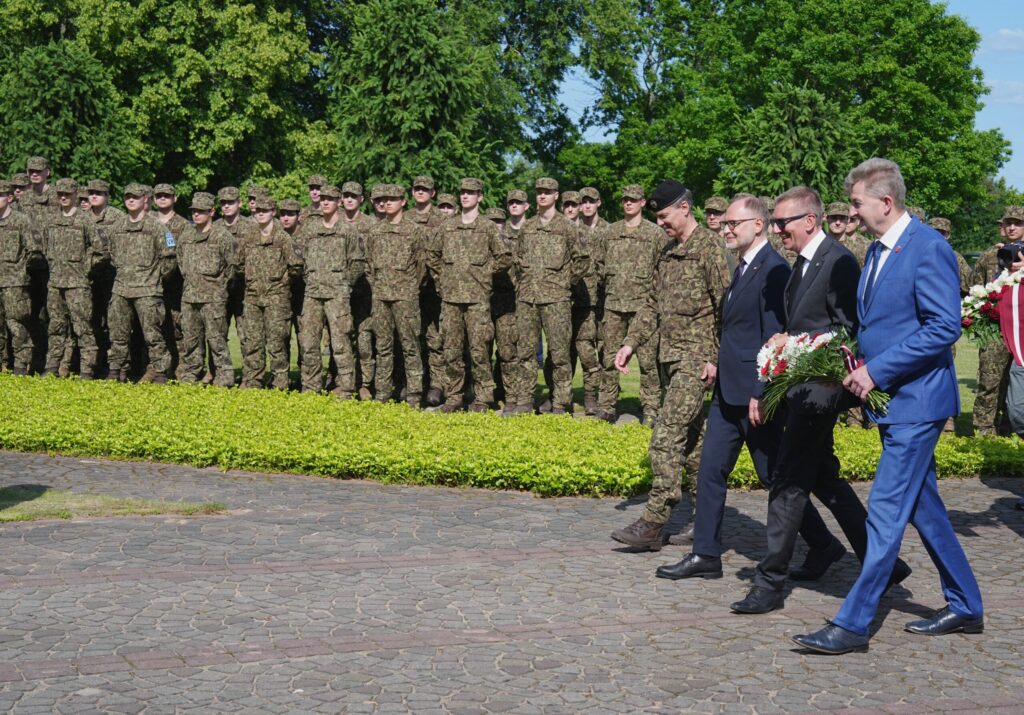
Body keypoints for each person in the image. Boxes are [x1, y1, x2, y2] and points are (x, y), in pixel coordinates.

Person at [793, 158, 983, 654]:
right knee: (925, 508)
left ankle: (854, 623)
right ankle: (966, 604)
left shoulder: (929, 247)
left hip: (917, 402)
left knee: (886, 509)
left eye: (856, 204)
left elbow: (944, 327)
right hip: (892, 401)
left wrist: (878, 370)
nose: (851, 214)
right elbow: (880, 324)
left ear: (886, 201)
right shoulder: (877, 250)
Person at [731, 185, 911, 615]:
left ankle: (770, 582)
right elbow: (809, 325)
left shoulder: (839, 263)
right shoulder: (803, 264)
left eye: (782, 223)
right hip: (801, 390)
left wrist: (798, 347)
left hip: (821, 394)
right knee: (824, 480)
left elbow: (848, 332)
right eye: (773, 223)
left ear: (809, 221)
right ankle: (885, 565)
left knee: (788, 482)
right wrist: (786, 342)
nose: (777, 232)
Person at [655, 194, 841, 580]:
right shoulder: (740, 266)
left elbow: (774, 336)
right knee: (710, 471)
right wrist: (714, 362)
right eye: (723, 224)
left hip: (754, 395)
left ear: (757, 225)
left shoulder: (772, 269)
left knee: (773, 476)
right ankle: (705, 554)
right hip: (727, 389)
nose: (725, 230)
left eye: (732, 224)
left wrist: (761, 389)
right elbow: (734, 329)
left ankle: (824, 545)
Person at [611, 180, 729, 551]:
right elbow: (651, 305)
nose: (660, 222)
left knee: (664, 438)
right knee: (692, 446)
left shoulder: (710, 248)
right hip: (668, 358)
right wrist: (630, 344)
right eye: (656, 217)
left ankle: (653, 522)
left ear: (684, 208)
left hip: (696, 360)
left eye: (664, 215)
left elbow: (727, 307)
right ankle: (704, 521)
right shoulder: (665, 253)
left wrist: (716, 357)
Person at [428, 178, 512, 412]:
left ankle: (483, 397)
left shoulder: (487, 227)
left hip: (477, 299)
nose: (465, 196)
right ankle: (453, 396)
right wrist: (441, 281)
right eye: (463, 192)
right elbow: (432, 256)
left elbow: (505, 257)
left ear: (480, 197)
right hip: (451, 298)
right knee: (451, 350)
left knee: (479, 350)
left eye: (471, 193)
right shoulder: (447, 226)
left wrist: (485, 273)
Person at [513, 177, 588, 414]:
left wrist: (565, 283)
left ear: (557, 195)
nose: (542, 196)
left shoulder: (566, 227)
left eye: (547, 192)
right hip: (528, 299)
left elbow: (582, 260)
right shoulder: (528, 226)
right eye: (539, 192)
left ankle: (561, 401)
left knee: (559, 354)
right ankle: (525, 399)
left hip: (556, 300)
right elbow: (517, 260)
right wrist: (522, 285)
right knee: (524, 352)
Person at [597, 184, 665, 425]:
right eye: (625, 199)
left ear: (643, 203)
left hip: (643, 308)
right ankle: (606, 406)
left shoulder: (655, 234)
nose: (628, 203)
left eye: (634, 200)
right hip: (614, 305)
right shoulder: (610, 232)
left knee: (648, 363)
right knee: (608, 360)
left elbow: (663, 268)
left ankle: (650, 409)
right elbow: (598, 264)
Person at [106, 183, 177, 383]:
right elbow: (111, 255)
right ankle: (116, 369)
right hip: (121, 288)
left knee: (153, 335)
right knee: (118, 334)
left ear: (145, 199)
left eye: (135, 197)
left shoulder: (158, 228)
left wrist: (154, 278)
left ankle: (161, 372)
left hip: (148, 291)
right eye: (127, 197)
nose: (130, 200)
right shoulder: (117, 227)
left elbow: (170, 259)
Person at [295, 184, 362, 396]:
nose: (324, 202)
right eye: (322, 198)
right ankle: (311, 386)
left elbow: (357, 263)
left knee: (341, 342)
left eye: (330, 199)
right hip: (313, 294)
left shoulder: (348, 230)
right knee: (308, 342)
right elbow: (298, 257)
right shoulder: (310, 229)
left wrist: (344, 284)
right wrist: (310, 278)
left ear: (338, 202)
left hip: (337, 295)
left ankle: (345, 387)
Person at [366, 184, 427, 406]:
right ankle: (382, 392)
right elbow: (369, 266)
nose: (387, 202)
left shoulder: (414, 230)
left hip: (405, 296)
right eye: (384, 199)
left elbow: (422, 266)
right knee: (383, 346)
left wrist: (409, 286)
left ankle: (414, 394)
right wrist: (379, 286)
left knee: (410, 346)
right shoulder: (375, 231)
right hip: (381, 296)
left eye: (393, 198)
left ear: (403, 201)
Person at [41, 179, 104, 379]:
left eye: (67, 194)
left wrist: (84, 269)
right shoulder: (50, 220)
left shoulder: (85, 221)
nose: (63, 197)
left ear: (76, 195)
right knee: (56, 327)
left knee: (83, 327)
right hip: (55, 283)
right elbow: (43, 248)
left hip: (78, 285)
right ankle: (52, 367)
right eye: (60, 194)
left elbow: (101, 251)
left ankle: (87, 370)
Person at [239, 195, 301, 390]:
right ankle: (253, 381)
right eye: (257, 211)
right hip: (252, 297)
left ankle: (279, 383)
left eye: (264, 211)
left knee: (277, 342)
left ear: (273, 212)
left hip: (277, 298)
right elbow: (239, 264)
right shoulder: (249, 237)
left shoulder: (282, 237)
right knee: (253, 342)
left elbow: (296, 266)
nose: (260, 214)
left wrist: (282, 284)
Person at [176, 192, 237, 387]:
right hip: (189, 297)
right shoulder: (186, 236)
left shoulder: (222, 237)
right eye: (194, 211)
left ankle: (224, 376)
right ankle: (191, 373)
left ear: (212, 211)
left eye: (201, 211)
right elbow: (181, 263)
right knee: (191, 340)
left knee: (217, 339)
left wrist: (218, 289)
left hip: (213, 298)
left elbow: (231, 268)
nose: (196, 215)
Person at [970, 206, 1022, 435]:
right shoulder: (991, 255)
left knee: (1017, 382)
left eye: (1018, 223)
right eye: (1008, 223)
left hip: (1021, 330)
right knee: (990, 381)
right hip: (995, 329)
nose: (1012, 227)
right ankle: (984, 429)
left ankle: (1012, 428)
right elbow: (973, 288)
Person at [0, 180, 43, 375]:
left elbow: (35, 250)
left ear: (9, 198)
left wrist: (21, 271)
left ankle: (21, 365)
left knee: (16, 323)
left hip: (14, 283)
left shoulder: (21, 221)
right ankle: (3, 363)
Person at [495, 190, 530, 415]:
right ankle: (510, 396)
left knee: (526, 350)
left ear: (527, 206)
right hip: (504, 298)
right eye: (511, 203)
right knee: (506, 350)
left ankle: (525, 395)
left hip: (529, 298)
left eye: (519, 203)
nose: (514, 206)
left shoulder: (533, 230)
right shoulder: (499, 232)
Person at [152, 183, 189, 376]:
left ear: (174, 198)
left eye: (167, 195)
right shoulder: (148, 220)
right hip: (149, 284)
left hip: (174, 285)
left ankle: (180, 368)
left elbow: (183, 255)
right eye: (159, 195)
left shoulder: (182, 225)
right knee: (153, 326)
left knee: (177, 327)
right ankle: (155, 367)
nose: (162, 198)